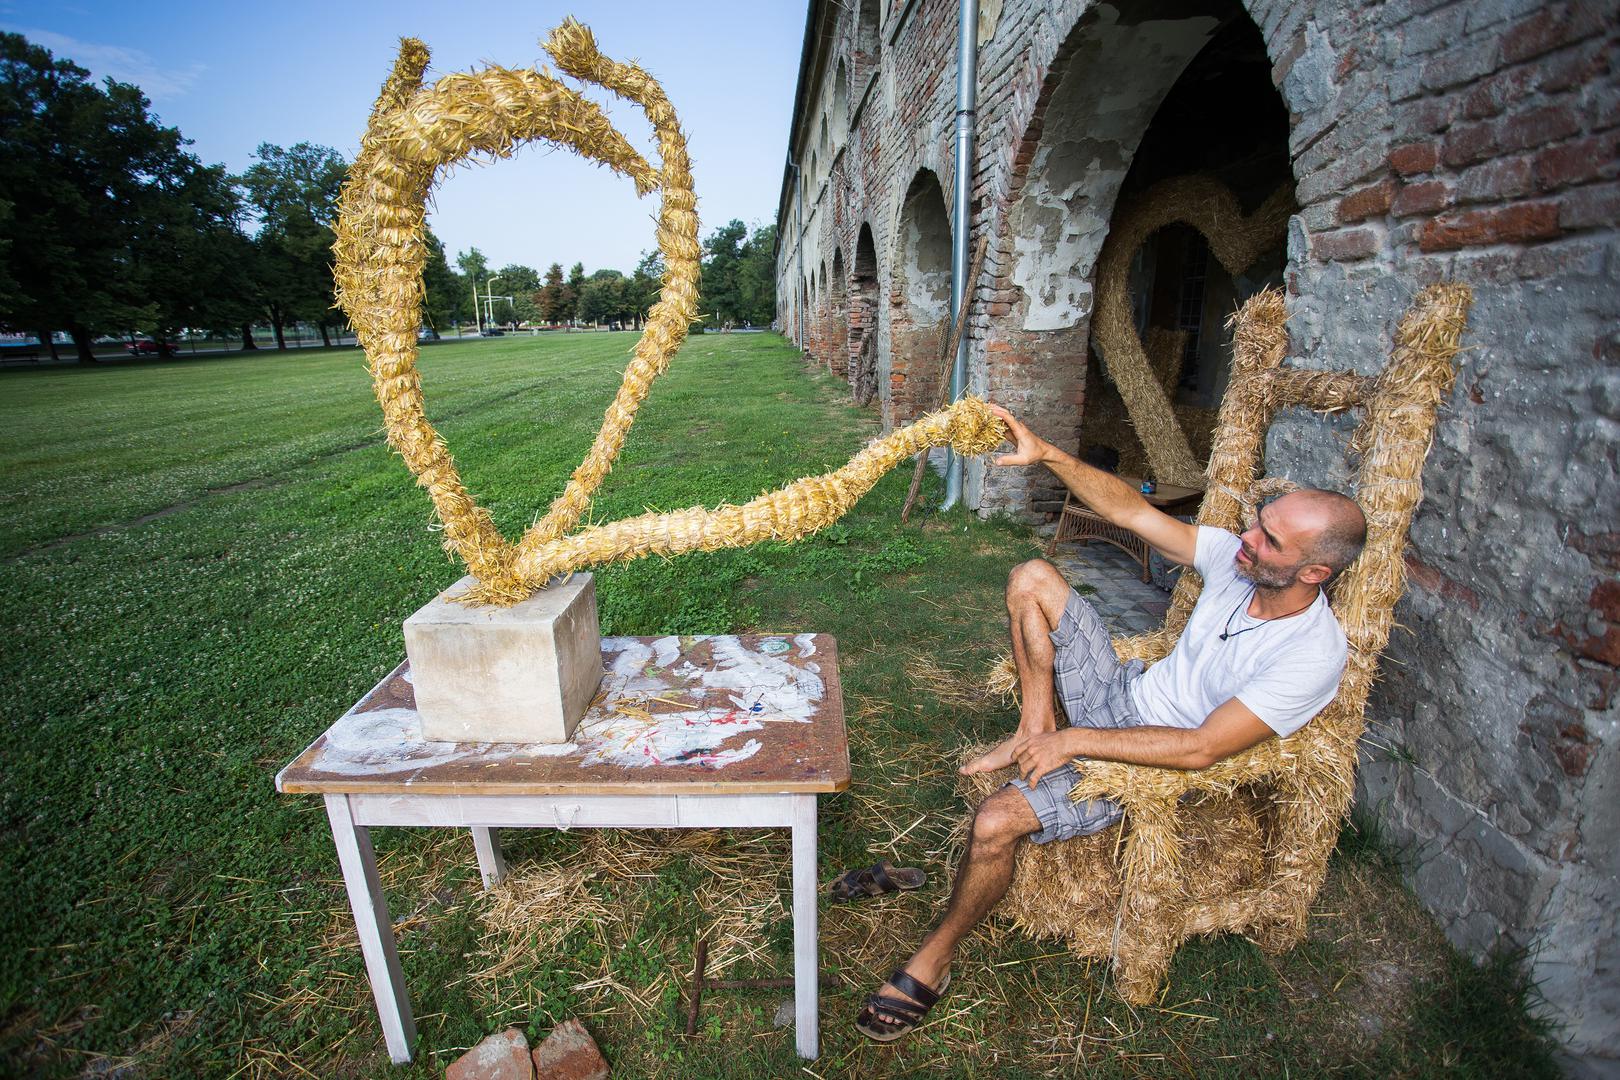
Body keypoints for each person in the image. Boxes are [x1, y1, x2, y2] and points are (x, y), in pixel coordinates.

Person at [855, 402, 1367, 1043]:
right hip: (1122, 692)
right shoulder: (1235, 566)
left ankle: (936, 957)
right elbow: (1132, 512)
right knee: (1033, 577)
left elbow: (1202, 749)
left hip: (1144, 758)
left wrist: (1074, 740)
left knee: (994, 820)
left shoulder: (1310, 654)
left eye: (1269, 540)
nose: (1247, 539)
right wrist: (1049, 455)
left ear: (1313, 572)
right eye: (1257, 524)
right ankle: (1029, 727)